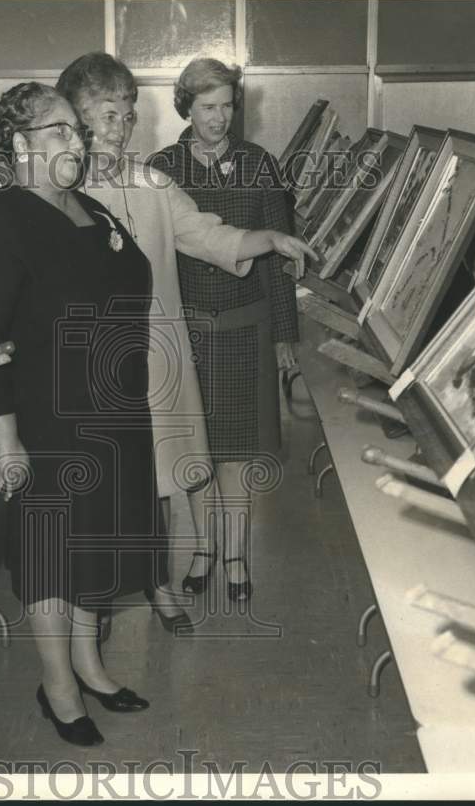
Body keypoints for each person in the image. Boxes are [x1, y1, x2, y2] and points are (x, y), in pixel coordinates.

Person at [55, 52, 310, 624]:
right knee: (101, 490)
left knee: (160, 478)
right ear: (75, 119)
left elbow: (205, 233)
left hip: (157, 360)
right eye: (107, 116)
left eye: (127, 116)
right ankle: (93, 613)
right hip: (89, 368)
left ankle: (160, 587)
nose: (120, 129)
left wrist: (270, 239)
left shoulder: (153, 183)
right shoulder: (58, 193)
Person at [0, 83, 161, 747]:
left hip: (112, 410)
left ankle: (90, 666)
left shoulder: (87, 206)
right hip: (47, 420)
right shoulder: (0, 223)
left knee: (94, 546)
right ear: (20, 145)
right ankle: (58, 687)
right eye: (60, 132)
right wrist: (6, 443)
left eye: (78, 129)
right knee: (51, 556)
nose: (78, 141)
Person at [149, 58, 302, 603]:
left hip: (246, 329)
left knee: (237, 453)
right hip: (188, 331)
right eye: (207, 107)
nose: (219, 117)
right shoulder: (161, 169)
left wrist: (284, 335)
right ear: (186, 108)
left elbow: (280, 258)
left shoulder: (260, 164)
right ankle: (203, 549)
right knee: (197, 453)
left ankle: (235, 556)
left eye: (228, 106)